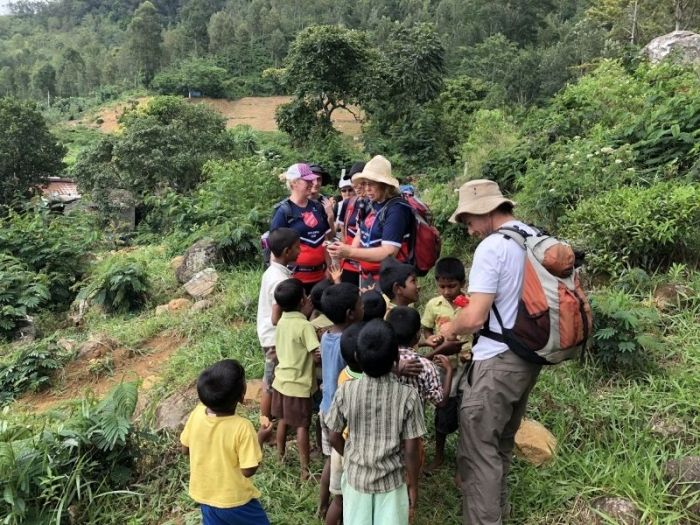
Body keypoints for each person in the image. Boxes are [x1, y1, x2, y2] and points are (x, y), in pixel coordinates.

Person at [439, 179, 542, 524]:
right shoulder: (531, 236)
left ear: (485, 209)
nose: (470, 231)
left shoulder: (492, 247)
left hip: (496, 363)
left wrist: (449, 328)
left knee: (479, 453)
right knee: (500, 446)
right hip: (526, 359)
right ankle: (496, 512)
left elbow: (475, 316)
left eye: (469, 221)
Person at [326, 319, 426, 525]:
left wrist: (351, 456)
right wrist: (413, 484)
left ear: (356, 357)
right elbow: (411, 450)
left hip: (356, 480)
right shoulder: (408, 397)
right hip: (392, 483)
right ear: (397, 358)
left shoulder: (346, 390)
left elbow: (334, 435)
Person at [180, 359, 270, 525]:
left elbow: (185, 449)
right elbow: (248, 470)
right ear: (242, 395)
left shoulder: (197, 413)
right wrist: (261, 438)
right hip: (236, 501)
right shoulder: (242, 427)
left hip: (206, 497)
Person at [327, 155, 414, 292]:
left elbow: (389, 252)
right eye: (365, 183)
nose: (367, 188)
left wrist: (349, 251)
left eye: (371, 184)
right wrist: (342, 250)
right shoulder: (372, 204)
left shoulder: (397, 209)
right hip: (368, 276)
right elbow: (361, 232)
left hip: (390, 281)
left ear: (385, 185)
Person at [420, 257, 472, 473]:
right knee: (444, 408)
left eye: (452, 286)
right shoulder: (434, 305)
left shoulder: (470, 304)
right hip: (443, 366)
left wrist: (469, 351)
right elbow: (426, 329)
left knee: (466, 408)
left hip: (467, 364)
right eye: (442, 286)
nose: (447, 291)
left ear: (462, 283)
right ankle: (439, 454)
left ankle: (465, 457)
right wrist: (432, 339)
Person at [318, 283, 363, 520]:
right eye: (360, 304)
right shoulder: (351, 344)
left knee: (331, 461)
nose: (363, 306)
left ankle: (321, 504)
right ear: (351, 314)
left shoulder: (326, 336)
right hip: (341, 419)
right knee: (343, 480)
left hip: (325, 409)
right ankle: (335, 510)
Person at [271, 278, 321, 480]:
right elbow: (316, 353)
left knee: (283, 420)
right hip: (299, 385)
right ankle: (304, 469)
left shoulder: (281, 321)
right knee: (302, 425)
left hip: (280, 381)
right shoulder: (305, 326)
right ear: (303, 300)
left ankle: (280, 457)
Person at [256, 227, 300, 444]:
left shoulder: (274, 271)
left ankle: (277, 422)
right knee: (270, 383)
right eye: (297, 247)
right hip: (274, 338)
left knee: (274, 380)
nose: (300, 250)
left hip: (271, 335)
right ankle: (266, 428)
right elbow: (276, 318)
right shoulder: (278, 279)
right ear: (286, 251)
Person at [271, 163, 332, 293]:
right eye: (307, 180)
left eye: (313, 179)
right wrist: (279, 280)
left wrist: (329, 266)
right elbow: (274, 249)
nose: (312, 183)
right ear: (294, 183)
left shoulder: (318, 207)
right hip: (295, 280)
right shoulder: (283, 211)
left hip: (321, 277)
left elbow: (325, 240)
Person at [325, 322, 365, 525]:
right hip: (354, 448)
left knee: (338, 501)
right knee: (354, 503)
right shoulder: (364, 382)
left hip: (338, 449)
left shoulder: (344, 375)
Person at [386, 306, 452, 408]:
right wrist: (449, 370)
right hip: (413, 422)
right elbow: (440, 401)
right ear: (418, 335)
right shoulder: (426, 365)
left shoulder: (380, 360)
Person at [335, 162, 366, 285]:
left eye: (359, 181)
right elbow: (343, 233)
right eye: (353, 181)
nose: (355, 186)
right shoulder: (349, 204)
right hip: (349, 263)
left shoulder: (377, 205)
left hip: (370, 262)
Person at [309, 163, 336, 228]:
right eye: (312, 179)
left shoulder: (326, 203)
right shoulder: (298, 201)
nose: (315, 183)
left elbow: (332, 234)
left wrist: (330, 217)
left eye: (319, 179)